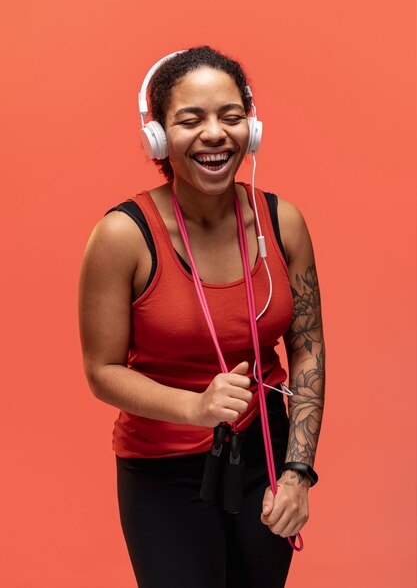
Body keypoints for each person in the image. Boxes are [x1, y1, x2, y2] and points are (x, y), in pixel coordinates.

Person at [78, 46, 325, 588]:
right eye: (191, 120)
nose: (215, 134)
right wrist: (196, 406)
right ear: (159, 138)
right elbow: (102, 370)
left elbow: (307, 348)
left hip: (267, 452)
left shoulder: (282, 222)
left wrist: (297, 471)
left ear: (251, 128)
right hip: (162, 466)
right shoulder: (122, 236)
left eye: (231, 117)